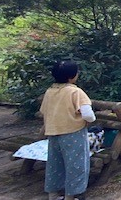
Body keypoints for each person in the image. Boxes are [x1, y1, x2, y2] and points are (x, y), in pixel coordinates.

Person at [40, 61, 96, 200]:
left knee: (55, 164)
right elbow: (88, 114)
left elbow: (44, 111)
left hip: (53, 132)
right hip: (73, 132)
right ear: (72, 76)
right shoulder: (75, 91)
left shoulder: (50, 91)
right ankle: (70, 196)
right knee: (76, 165)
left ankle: (53, 195)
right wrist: (90, 121)